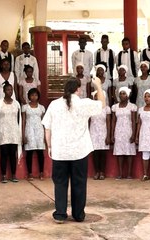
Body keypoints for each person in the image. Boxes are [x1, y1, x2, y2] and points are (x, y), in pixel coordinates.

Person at [41, 77, 105, 224]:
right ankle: (78, 214)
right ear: (78, 89)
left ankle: (60, 214)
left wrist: (50, 146)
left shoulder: (54, 104)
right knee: (79, 183)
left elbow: (47, 128)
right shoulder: (83, 103)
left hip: (60, 151)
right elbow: (102, 104)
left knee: (60, 183)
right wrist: (99, 86)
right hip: (79, 151)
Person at [0, 83, 22, 183]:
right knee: (4, 153)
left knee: (12, 153)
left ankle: (14, 175)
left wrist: (19, 132)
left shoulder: (16, 104)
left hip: (14, 131)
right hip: (3, 131)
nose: (9, 91)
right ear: (4, 91)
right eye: (7, 90)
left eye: (11, 90)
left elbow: (19, 119)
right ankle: (3, 175)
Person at [111, 87, 137, 180]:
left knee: (129, 153)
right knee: (119, 153)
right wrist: (112, 134)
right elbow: (113, 121)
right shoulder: (115, 107)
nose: (122, 95)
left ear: (128, 95)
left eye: (124, 93)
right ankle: (120, 173)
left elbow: (134, 121)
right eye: (121, 93)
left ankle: (129, 174)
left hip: (128, 130)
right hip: (118, 131)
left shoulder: (132, 106)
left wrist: (133, 134)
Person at [22, 88, 46, 181]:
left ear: (38, 96)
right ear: (29, 96)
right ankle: (30, 173)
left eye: (35, 95)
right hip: (29, 130)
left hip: (39, 130)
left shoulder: (41, 108)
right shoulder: (25, 107)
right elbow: (23, 121)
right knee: (29, 152)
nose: (34, 97)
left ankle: (41, 172)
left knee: (40, 152)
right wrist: (23, 134)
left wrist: (45, 134)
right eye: (32, 95)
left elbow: (44, 121)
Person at [89, 90, 111, 180]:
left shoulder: (106, 108)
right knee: (95, 153)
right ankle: (96, 172)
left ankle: (102, 172)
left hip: (103, 132)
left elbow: (108, 122)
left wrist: (108, 135)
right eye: (95, 96)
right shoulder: (90, 109)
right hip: (93, 132)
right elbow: (89, 121)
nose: (97, 98)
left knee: (102, 153)